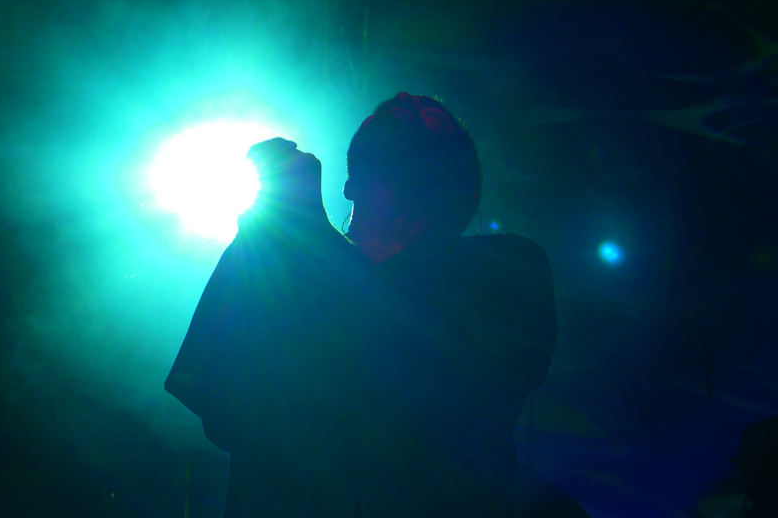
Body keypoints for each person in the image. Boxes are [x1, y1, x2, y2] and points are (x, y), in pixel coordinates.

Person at [165, 92, 558, 517]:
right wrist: (275, 237)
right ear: (350, 183)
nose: (408, 102)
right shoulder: (273, 261)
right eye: (392, 122)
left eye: (428, 125)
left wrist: (300, 228)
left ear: (464, 191)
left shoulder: (509, 270)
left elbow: (397, 349)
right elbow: (227, 414)